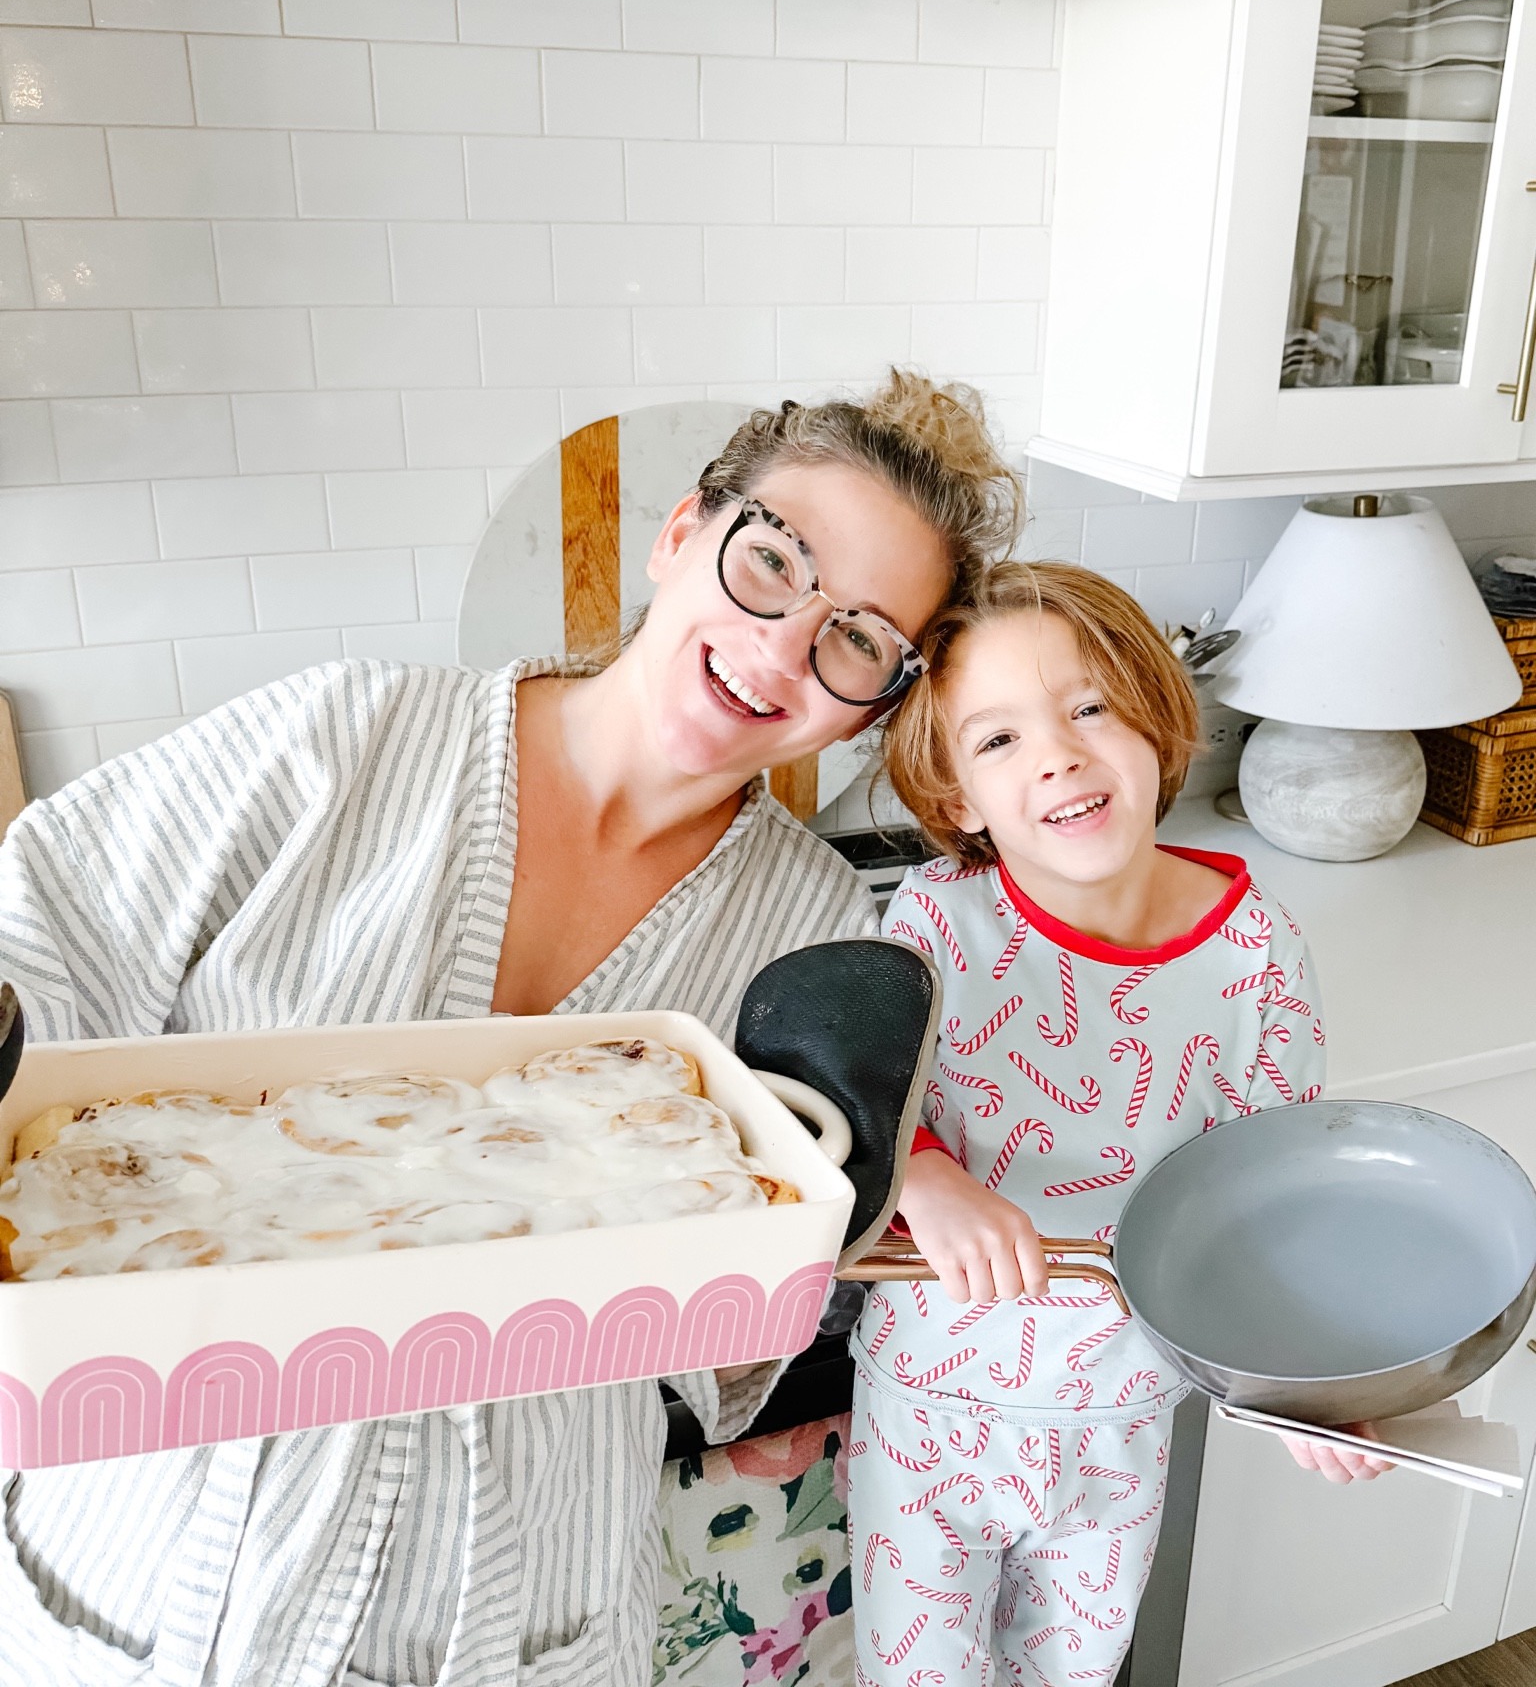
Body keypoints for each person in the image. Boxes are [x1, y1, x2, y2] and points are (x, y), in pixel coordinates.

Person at [0, 374, 1022, 1687]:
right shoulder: (343, 738)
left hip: (511, 1608)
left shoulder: (812, 931)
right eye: (773, 561)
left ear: (880, 696)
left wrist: (837, 1211)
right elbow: (38, 942)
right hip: (147, 1567)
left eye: (858, 638)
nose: (781, 650)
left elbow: (732, 1348)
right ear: (678, 534)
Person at [848, 561, 1388, 1687]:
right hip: (930, 1407)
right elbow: (860, 1104)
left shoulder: (1256, 949)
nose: (1057, 752)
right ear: (957, 800)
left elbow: (1267, 1200)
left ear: (1154, 711)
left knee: (1077, 1673)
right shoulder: (937, 919)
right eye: (997, 740)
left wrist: (1302, 1379)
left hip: (1123, 1416)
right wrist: (928, 1176)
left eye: (1089, 704)